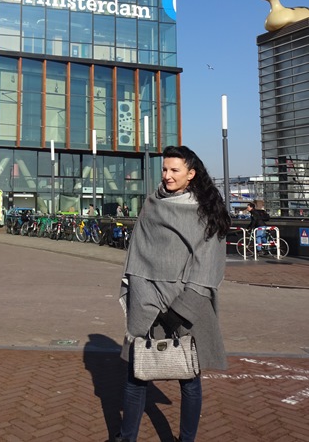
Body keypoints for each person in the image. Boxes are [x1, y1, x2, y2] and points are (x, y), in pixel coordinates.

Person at [116, 145, 230, 442]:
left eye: (174, 170)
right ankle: (127, 437)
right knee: (136, 374)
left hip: (186, 303)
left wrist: (180, 309)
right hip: (147, 301)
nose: (167, 175)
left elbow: (208, 265)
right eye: (165, 169)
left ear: (191, 174)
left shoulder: (206, 212)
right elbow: (138, 252)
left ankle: (186, 439)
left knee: (188, 377)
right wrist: (143, 293)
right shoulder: (152, 203)